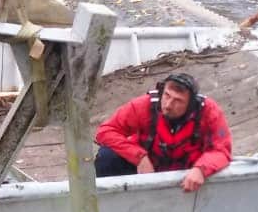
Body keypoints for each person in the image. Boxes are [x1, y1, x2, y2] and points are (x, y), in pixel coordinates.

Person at [93, 71, 231, 192]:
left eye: (178, 101)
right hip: (146, 170)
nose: (168, 105)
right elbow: (105, 131)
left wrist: (201, 170)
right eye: (167, 95)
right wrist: (139, 157)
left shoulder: (209, 112)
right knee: (107, 156)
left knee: (218, 167)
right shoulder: (144, 105)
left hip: (188, 176)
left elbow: (221, 150)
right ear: (161, 91)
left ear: (191, 104)